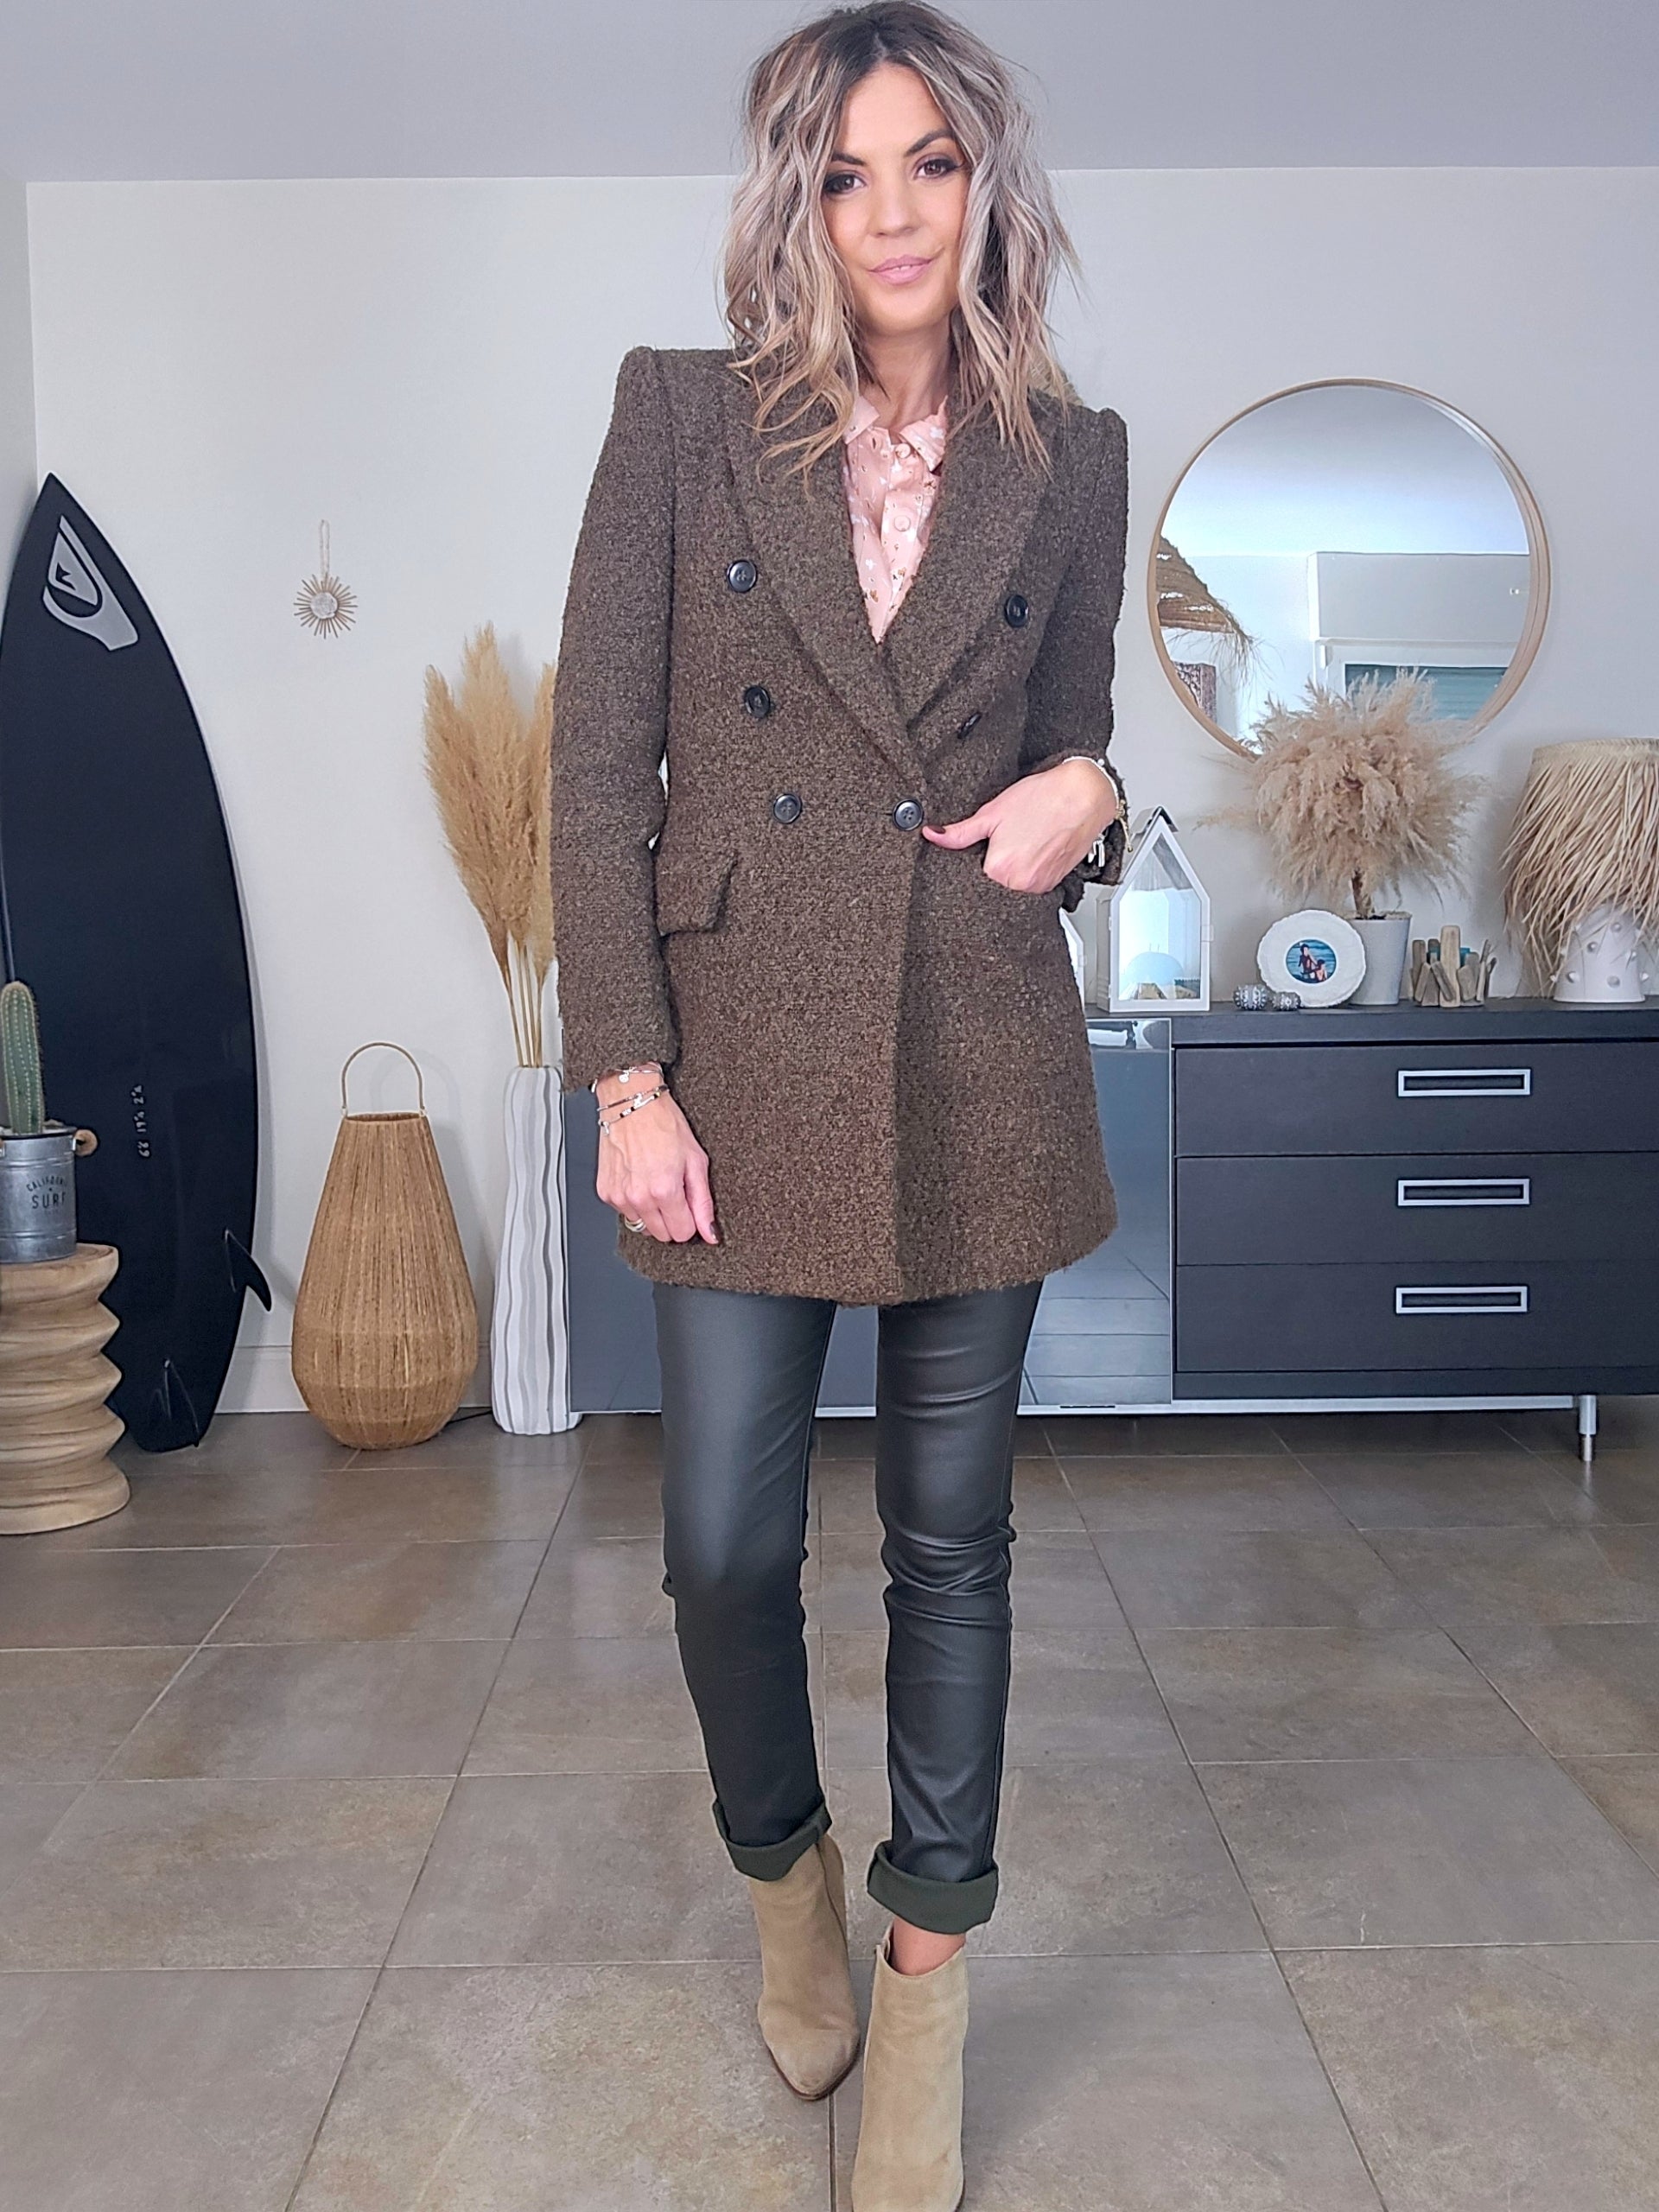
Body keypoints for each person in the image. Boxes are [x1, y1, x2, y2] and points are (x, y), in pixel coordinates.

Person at [549, 7, 1128, 2204]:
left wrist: (1101, 784)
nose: (892, 214)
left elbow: (1069, 745)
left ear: (988, 190)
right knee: (720, 1542)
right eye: (846, 172)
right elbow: (596, 768)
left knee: (953, 1540)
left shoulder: (1073, 455)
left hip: (973, 1032)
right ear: (795, 203)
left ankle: (926, 1978)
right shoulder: (681, 418)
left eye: (932, 164)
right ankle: (783, 1866)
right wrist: (626, 1075)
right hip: (733, 1051)